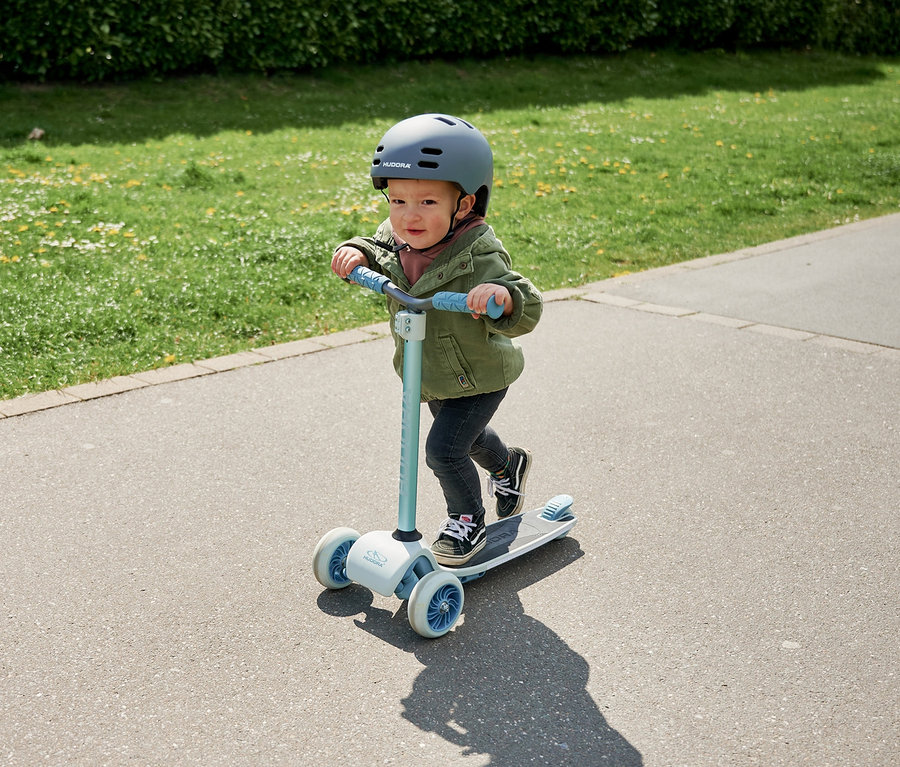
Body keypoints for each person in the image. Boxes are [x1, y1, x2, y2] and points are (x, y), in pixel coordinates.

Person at [331, 113, 543, 566]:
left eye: (427, 201)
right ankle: (508, 466)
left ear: (463, 206)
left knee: (443, 451)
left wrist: (501, 297)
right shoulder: (399, 236)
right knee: (467, 439)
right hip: (429, 370)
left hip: (480, 372)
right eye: (398, 199)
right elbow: (377, 243)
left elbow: (527, 303)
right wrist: (358, 251)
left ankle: (467, 523)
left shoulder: (479, 252)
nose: (409, 214)